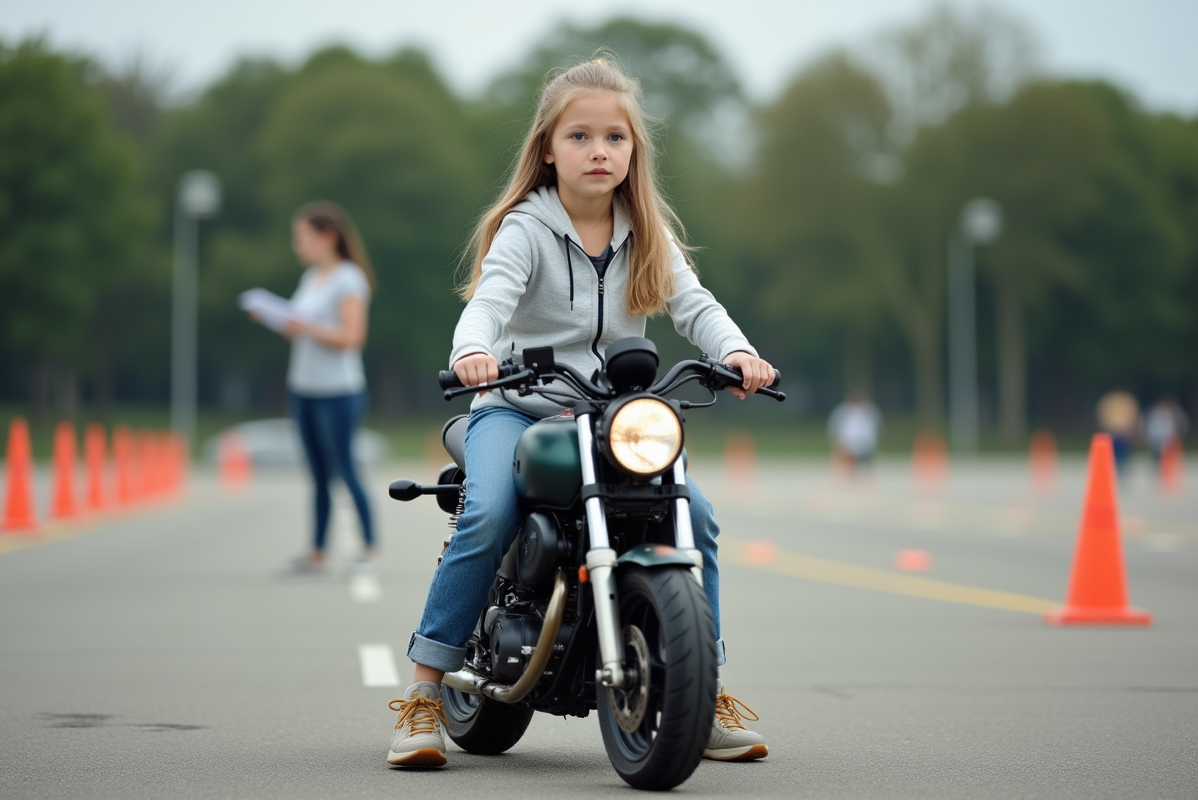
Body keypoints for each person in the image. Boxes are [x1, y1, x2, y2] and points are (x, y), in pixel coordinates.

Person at [386, 57, 774, 768]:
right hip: (517, 408)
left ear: (634, 151)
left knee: (699, 515)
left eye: (615, 139)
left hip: (614, 415)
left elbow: (694, 305)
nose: (599, 152)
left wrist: (740, 353)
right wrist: (474, 352)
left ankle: (703, 683)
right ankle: (423, 694)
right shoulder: (525, 230)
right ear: (547, 148)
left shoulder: (646, 230)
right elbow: (490, 302)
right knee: (488, 511)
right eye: (580, 137)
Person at [259, 202, 376, 574]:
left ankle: (370, 550)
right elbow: (299, 327)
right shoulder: (311, 279)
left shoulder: (348, 279)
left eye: (303, 237)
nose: (298, 246)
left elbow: (352, 337)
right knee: (318, 475)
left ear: (328, 236)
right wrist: (275, 317)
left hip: (338, 392)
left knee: (345, 469)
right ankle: (317, 551)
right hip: (304, 389)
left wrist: (305, 325)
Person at [827, 390, 882, 475]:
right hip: (849, 440)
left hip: (864, 440)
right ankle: (848, 475)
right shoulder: (843, 410)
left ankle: (862, 475)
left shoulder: (870, 410)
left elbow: (875, 425)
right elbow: (835, 425)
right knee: (848, 459)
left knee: (865, 461)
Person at [1096, 389, 1140, 478]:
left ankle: (1120, 471)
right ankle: (1116, 471)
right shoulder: (1116, 400)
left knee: (1122, 453)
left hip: (1121, 430)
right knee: (1113, 453)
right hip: (1114, 430)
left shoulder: (1121, 400)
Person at [1144, 395, 1189, 465]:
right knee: (1158, 455)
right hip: (1158, 437)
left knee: (1169, 456)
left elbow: (1182, 423)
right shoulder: (1156, 412)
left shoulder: (1175, 411)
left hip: (1169, 437)